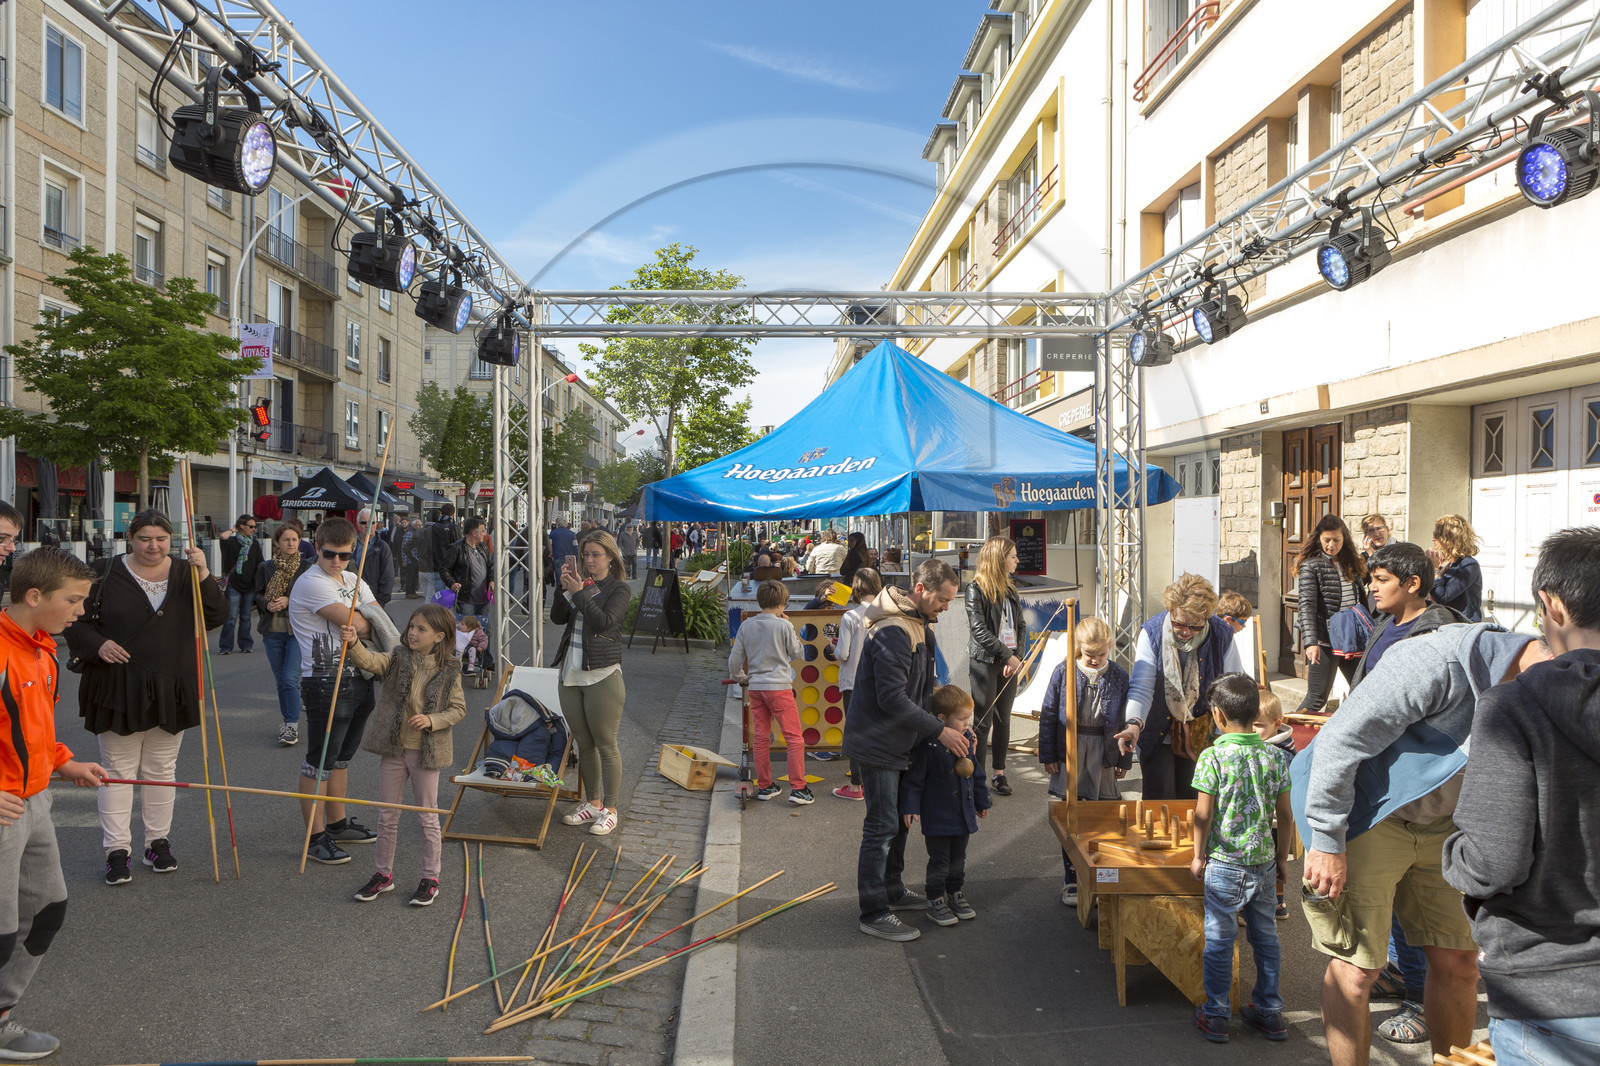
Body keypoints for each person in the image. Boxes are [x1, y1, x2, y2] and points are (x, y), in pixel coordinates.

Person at [1296, 621, 1547, 1066]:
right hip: (1366, 815)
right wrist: (1328, 840)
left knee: (1461, 964)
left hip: (1446, 822)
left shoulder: (1553, 688)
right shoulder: (1434, 661)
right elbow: (1339, 742)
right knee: (1358, 970)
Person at [1443, 527, 1600, 1066]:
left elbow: (1494, 860)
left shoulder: (1513, 707)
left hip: (1550, 990)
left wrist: (1453, 854)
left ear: (1551, 606)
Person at [65, 510, 225, 884]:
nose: (153, 546)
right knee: (118, 771)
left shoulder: (188, 572)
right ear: (130, 538)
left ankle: (157, 842)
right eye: (145, 539)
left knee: (161, 770)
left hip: (173, 684)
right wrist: (98, 644)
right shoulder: (103, 571)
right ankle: (116, 850)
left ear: (171, 540)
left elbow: (216, 616)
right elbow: (74, 620)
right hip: (118, 685)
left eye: (161, 539)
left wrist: (204, 573)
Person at [0, 548, 109, 1058]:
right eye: (73, 600)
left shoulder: (43, 651)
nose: (80, 612)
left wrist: (64, 762)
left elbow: (33, 728)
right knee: (1, 931)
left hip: (35, 801)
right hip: (4, 809)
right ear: (33, 595)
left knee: (46, 910)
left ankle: (1, 1017)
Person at [843, 558, 970, 943]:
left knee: (897, 821)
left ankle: (892, 890)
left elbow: (922, 690)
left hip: (900, 741)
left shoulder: (919, 625)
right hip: (878, 742)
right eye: (942, 600)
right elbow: (892, 698)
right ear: (920, 589)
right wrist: (940, 731)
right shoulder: (895, 631)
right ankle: (873, 912)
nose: (946, 608)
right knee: (881, 826)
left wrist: (951, 721)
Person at [1190, 673, 1293, 1043]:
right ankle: (1270, 1011)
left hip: (1224, 864)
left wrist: (1197, 855)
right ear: (1256, 713)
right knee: (1266, 938)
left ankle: (1217, 1013)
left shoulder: (1213, 757)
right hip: (1264, 863)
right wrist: (1282, 858)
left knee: (1220, 940)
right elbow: (1286, 815)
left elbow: (1203, 815)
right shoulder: (1276, 756)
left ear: (1218, 715)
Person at [341, 603, 466, 908]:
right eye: (411, 626)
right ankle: (383, 874)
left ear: (439, 636)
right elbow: (371, 661)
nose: (413, 632)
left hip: (426, 752)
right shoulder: (398, 657)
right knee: (387, 815)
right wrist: (354, 643)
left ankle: (430, 878)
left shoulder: (450, 668)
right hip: (395, 749)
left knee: (427, 816)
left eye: (421, 629)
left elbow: (458, 709)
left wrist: (431, 720)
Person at [289, 517, 383, 867]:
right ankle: (315, 838)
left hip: (360, 673)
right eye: (329, 554)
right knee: (320, 760)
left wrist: (364, 620)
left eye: (344, 555)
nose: (337, 561)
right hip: (325, 679)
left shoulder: (353, 579)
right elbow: (360, 623)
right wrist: (362, 619)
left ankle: (337, 823)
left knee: (342, 757)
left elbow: (379, 618)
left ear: (353, 551)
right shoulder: (311, 582)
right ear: (317, 547)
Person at [1114, 574, 1241, 800]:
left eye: (1194, 626)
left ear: (1207, 618)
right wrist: (1133, 724)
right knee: (1159, 798)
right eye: (1178, 624)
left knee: (1195, 798)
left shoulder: (1222, 634)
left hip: (1202, 733)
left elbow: (1230, 688)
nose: (1185, 632)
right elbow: (1142, 687)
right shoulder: (1152, 632)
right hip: (1157, 730)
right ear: (1170, 611)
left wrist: (1226, 737)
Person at [1041, 616, 1129, 906]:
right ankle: (1072, 879)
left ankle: (1101, 876)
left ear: (1109, 648)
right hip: (1071, 749)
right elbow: (1049, 713)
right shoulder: (1064, 671)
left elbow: (1125, 720)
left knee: (1103, 817)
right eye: (1090, 654)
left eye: (1101, 654)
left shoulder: (1118, 675)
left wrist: (1124, 760)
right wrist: (1049, 755)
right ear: (1079, 646)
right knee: (1072, 818)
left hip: (1104, 751)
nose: (1095, 659)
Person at [552, 531, 631, 837]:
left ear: (610, 557)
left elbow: (604, 623)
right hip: (571, 673)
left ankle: (610, 809)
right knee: (584, 744)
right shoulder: (579, 584)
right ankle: (593, 803)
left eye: (596, 555)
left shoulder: (619, 589)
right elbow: (558, 618)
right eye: (585, 555)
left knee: (606, 744)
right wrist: (563, 590)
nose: (589, 560)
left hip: (602, 675)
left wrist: (580, 593)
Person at [900, 684, 989, 927]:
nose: (967, 723)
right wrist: (910, 807)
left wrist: (982, 801)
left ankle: (955, 893)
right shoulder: (929, 747)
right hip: (938, 816)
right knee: (939, 860)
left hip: (962, 814)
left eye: (968, 718)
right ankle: (936, 899)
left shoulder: (966, 741)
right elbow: (914, 781)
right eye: (961, 719)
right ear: (942, 719)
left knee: (958, 859)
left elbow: (976, 774)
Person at [728, 580, 811, 805]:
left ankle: (765, 785)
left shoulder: (747, 626)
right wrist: (790, 626)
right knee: (793, 738)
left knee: (761, 737)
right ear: (782, 604)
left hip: (756, 688)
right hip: (780, 688)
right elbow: (797, 652)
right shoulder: (783, 625)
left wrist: (741, 678)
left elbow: (734, 661)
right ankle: (799, 788)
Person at [966, 536, 1025, 797]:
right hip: (985, 661)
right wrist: (1006, 656)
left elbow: (1020, 625)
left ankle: (998, 774)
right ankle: (977, 779)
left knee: (1004, 719)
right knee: (983, 722)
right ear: (999, 560)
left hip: (1008, 661)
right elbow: (978, 630)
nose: (1017, 560)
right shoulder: (975, 588)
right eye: (1013, 556)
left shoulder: (1011, 588)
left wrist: (1016, 657)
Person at [1293, 514, 1368, 714]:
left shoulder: (1352, 562)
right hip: (1324, 638)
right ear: (1319, 538)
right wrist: (1310, 642)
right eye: (1327, 540)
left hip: (1351, 636)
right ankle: (1287, 730)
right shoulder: (1311, 565)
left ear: (1344, 539)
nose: (1331, 545)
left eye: (1336, 540)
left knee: (1364, 688)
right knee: (1317, 698)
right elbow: (1306, 605)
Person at [255, 523, 311, 747]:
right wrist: (266, 603)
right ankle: (288, 719)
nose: (291, 543)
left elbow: (310, 596)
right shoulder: (266, 567)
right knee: (281, 681)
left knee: (290, 678)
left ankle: (291, 725)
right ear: (277, 543)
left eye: (295, 539)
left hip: (297, 630)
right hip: (272, 630)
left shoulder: (307, 567)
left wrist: (289, 599)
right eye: (286, 539)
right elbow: (257, 593)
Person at [832, 568, 883, 801]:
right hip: (879, 680)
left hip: (853, 681)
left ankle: (856, 786)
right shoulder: (884, 615)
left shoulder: (850, 617)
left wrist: (832, 648)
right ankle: (877, 781)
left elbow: (842, 654)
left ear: (856, 587)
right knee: (876, 729)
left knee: (855, 732)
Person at [440, 517, 494, 655]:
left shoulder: (482, 547)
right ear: (474, 533)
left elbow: (491, 566)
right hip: (466, 600)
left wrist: (492, 581)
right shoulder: (456, 548)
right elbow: (444, 569)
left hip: (484, 599)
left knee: (486, 631)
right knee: (466, 633)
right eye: (483, 531)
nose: (485, 534)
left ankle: (485, 660)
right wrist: (452, 583)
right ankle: (465, 660)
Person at [217, 514, 261, 654]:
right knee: (230, 617)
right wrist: (233, 530)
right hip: (233, 585)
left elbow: (260, 563)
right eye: (251, 526)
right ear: (241, 526)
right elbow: (222, 536)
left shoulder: (254, 544)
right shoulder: (231, 542)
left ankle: (246, 645)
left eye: (255, 527)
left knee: (246, 617)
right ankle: (226, 646)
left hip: (250, 585)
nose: (254, 529)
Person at [1427, 514, 1483, 622]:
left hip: (1462, 626)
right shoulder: (1445, 563)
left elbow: (1442, 597)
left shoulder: (1468, 565)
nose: (1433, 538)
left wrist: (1435, 570)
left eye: (1437, 535)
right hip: (1443, 622)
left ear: (1449, 539)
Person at [354, 509, 396, 607]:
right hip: (349, 599)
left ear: (376, 524)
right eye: (363, 523)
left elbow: (388, 577)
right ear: (357, 525)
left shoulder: (382, 547)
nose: (368, 526)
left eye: (371, 523)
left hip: (372, 600)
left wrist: (380, 603)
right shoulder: (349, 544)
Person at [422, 505, 459, 601]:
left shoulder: (433, 528)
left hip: (436, 566)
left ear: (441, 513)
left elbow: (427, 547)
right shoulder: (454, 527)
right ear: (453, 514)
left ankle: (441, 610)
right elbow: (459, 547)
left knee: (440, 597)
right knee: (453, 597)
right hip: (452, 568)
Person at [400, 516, 424, 598]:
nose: (420, 527)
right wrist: (405, 560)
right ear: (414, 525)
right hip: (411, 559)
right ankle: (409, 593)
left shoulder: (417, 532)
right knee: (410, 576)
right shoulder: (410, 533)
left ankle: (413, 592)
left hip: (416, 558)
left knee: (415, 577)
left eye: (420, 525)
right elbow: (404, 547)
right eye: (418, 525)